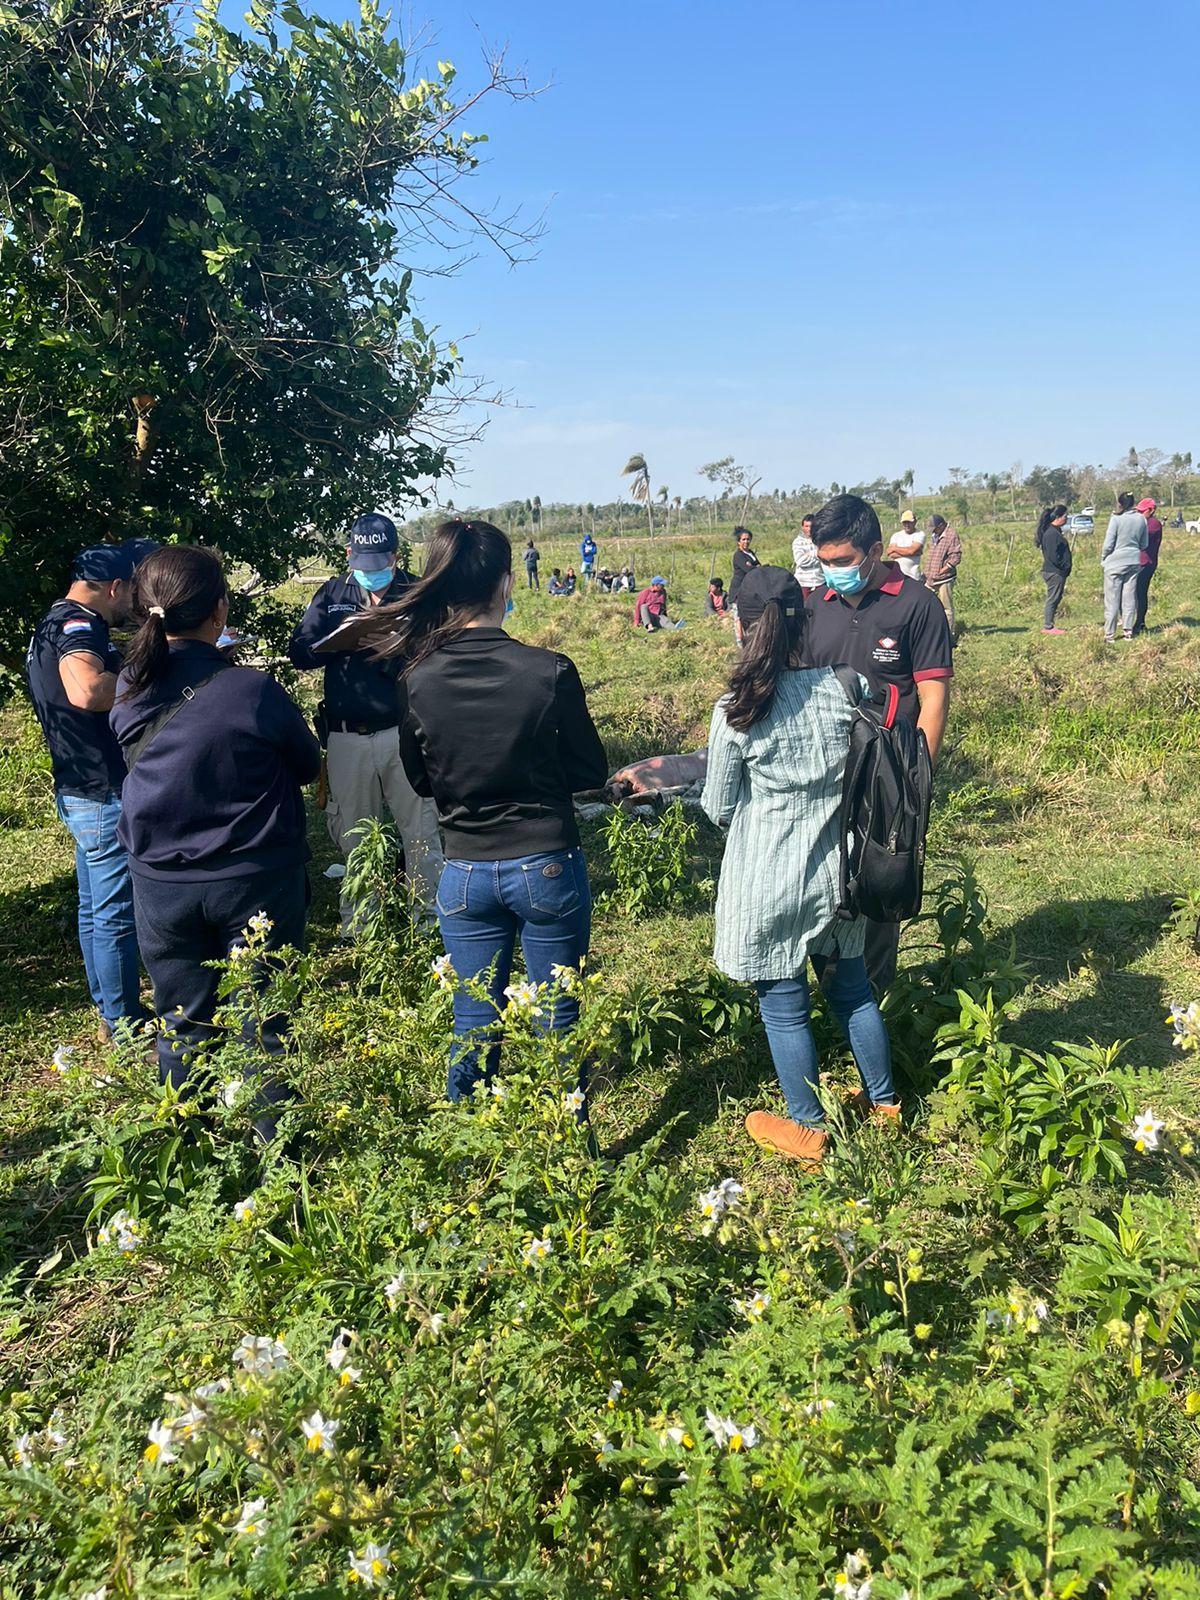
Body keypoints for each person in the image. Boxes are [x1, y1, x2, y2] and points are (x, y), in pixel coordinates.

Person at [379, 520, 608, 1101]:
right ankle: (569, 1160)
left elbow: (419, 779)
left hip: (465, 872)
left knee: (473, 1020)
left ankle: (472, 1161)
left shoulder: (415, 678)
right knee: (555, 1020)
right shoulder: (548, 670)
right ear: (506, 584)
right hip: (546, 863)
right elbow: (588, 772)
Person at [110, 547, 321, 1122]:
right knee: (265, 1024)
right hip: (252, 879)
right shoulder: (249, 690)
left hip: (159, 883)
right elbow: (305, 765)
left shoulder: (130, 683)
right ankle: (279, 1164)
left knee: (179, 1022)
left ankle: (192, 1149)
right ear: (219, 610)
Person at [702, 565, 899, 1169]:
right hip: (836, 876)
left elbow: (718, 806)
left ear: (739, 625)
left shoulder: (736, 709)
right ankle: (886, 1105)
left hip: (769, 881)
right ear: (803, 622)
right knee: (852, 991)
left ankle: (806, 1127)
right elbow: (884, 706)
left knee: (783, 1005)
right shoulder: (844, 686)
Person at [802, 494, 953, 995]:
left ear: (872, 550)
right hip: (821, 774)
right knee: (821, 884)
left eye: (842, 561)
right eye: (824, 562)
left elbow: (932, 699)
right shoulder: (813, 608)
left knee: (876, 886)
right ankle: (830, 997)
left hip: (887, 777)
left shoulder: (917, 606)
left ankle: (872, 1003)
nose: (832, 572)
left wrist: (914, 783)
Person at [288, 513, 443, 934]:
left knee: (422, 831)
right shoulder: (332, 594)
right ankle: (362, 926)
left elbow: (442, 651)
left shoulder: (417, 593)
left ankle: (427, 921)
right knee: (355, 836)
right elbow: (299, 651)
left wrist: (398, 646)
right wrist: (342, 640)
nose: (372, 571)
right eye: (363, 561)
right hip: (346, 735)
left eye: (380, 562)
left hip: (405, 731)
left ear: (395, 556)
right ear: (349, 553)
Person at [26, 543, 152, 1040]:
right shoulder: (78, 626)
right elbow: (86, 690)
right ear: (115, 587)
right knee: (116, 913)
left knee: (94, 907)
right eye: (131, 594)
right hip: (101, 791)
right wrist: (145, 678)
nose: (134, 606)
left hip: (80, 787)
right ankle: (124, 1026)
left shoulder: (54, 620)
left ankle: (109, 1011)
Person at [1101, 492, 1148, 642]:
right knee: (1129, 598)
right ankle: (1128, 631)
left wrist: (1103, 558)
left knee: (1112, 599)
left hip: (1115, 562)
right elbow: (1144, 544)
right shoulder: (1141, 519)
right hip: (1133, 561)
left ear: (1119, 503)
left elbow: (1108, 544)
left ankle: (1110, 633)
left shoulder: (1116, 519)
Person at [923, 515, 963, 633]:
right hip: (931, 577)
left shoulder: (951, 535)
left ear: (941, 526)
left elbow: (956, 556)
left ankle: (949, 634)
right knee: (925, 604)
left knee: (947, 608)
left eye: (934, 528)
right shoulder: (935, 535)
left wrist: (944, 569)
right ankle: (932, 631)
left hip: (944, 578)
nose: (933, 531)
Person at [1035, 504, 1072, 633]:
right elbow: (1053, 556)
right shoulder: (1051, 534)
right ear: (1058, 517)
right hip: (1054, 572)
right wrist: (1064, 566)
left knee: (1055, 598)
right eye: (1065, 516)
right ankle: (1048, 626)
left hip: (1056, 572)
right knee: (1053, 598)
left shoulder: (1055, 531)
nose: (1067, 518)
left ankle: (1050, 625)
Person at [1132, 497, 1163, 636]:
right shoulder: (1141, 521)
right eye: (1138, 511)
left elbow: (1139, 537)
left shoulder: (1154, 523)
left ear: (1151, 510)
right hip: (1137, 561)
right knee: (1133, 593)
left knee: (1140, 593)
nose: (1140, 513)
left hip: (1146, 563)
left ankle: (1140, 622)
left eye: (1143, 511)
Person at [728, 527, 761, 644]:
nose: (746, 542)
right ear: (738, 542)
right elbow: (750, 569)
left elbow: (758, 567)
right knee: (738, 618)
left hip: (749, 590)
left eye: (748, 539)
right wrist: (755, 567)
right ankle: (740, 642)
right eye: (743, 539)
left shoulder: (751, 553)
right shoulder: (738, 556)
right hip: (738, 591)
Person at [885, 511, 925, 580]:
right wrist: (912, 553)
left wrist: (894, 548)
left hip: (914, 576)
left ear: (915, 522)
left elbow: (911, 550)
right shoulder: (896, 535)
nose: (907, 525)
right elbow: (890, 553)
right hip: (898, 576)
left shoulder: (920, 534)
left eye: (909, 522)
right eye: (904, 522)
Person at [791, 514, 822, 597]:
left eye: (811, 526)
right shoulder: (798, 542)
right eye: (806, 526)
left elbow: (826, 558)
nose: (809, 529)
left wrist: (809, 555)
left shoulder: (821, 540)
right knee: (805, 608)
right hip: (803, 583)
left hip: (820, 581)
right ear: (802, 527)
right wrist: (817, 554)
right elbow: (801, 561)